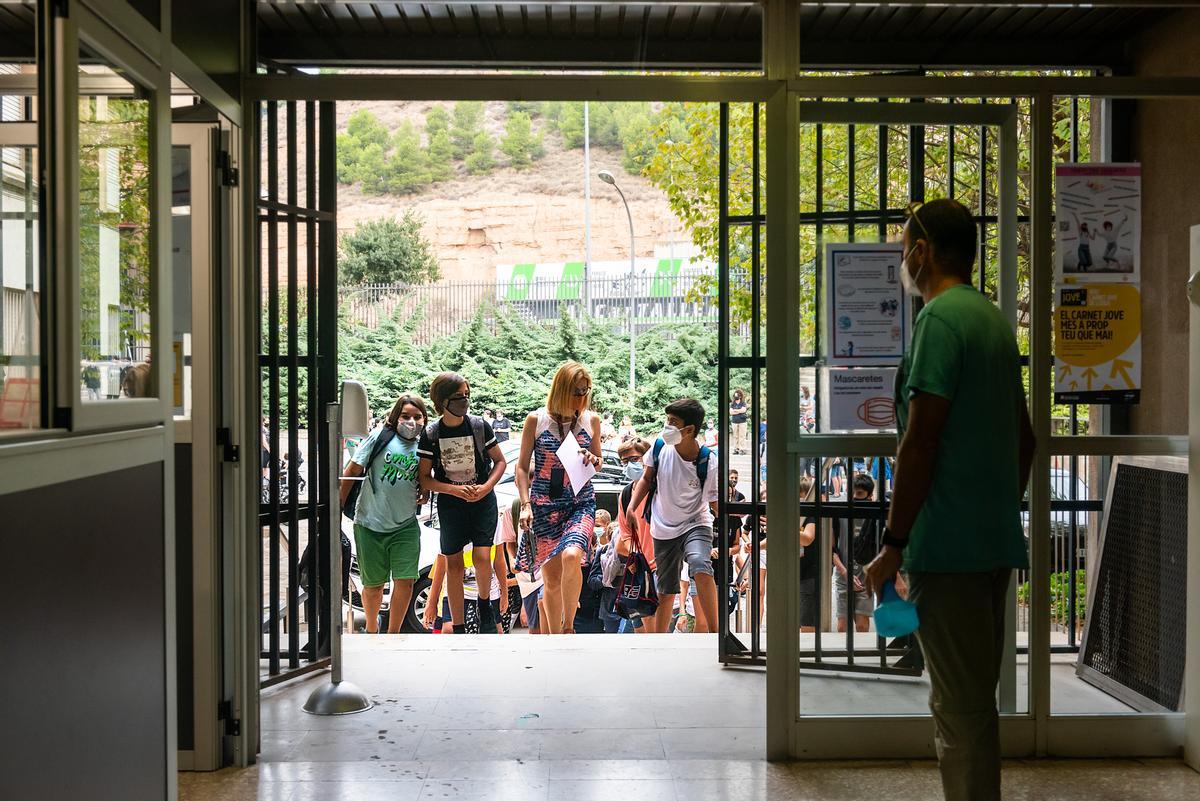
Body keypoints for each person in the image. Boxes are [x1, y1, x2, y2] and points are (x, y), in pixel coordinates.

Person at [865, 198, 1034, 801]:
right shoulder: (989, 319)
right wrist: (992, 510)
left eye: (904, 244)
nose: (901, 258)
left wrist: (893, 544)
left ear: (924, 250)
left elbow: (921, 440)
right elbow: (1027, 439)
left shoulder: (938, 322)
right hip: (990, 546)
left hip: (949, 552)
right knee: (973, 702)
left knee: (958, 714)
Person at [515, 361, 602, 634]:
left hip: (581, 502)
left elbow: (598, 462)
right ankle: (553, 638)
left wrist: (593, 459)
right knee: (550, 579)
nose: (581, 397)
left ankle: (568, 628)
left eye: (585, 391)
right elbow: (520, 467)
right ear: (561, 389)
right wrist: (525, 505)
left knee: (572, 555)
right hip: (545, 505)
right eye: (576, 391)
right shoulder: (536, 420)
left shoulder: (591, 420)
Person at [418, 372, 507, 634]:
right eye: (458, 397)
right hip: (451, 505)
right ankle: (457, 625)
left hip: (483, 500)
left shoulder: (480, 426)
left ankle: (484, 605)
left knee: (482, 555)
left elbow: (500, 461)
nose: (464, 401)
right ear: (442, 401)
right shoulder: (432, 434)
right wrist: (453, 491)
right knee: (453, 564)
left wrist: (485, 487)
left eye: (467, 395)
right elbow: (425, 478)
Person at [627, 398, 719, 635]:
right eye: (667, 420)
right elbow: (647, 479)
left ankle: (717, 633)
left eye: (673, 422)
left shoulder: (707, 460)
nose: (667, 426)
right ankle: (660, 640)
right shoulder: (659, 448)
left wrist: (737, 515)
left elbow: (713, 501)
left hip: (695, 522)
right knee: (666, 588)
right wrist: (632, 508)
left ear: (689, 430)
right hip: (663, 525)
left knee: (700, 563)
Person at [339, 393, 427, 634]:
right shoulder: (380, 437)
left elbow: (427, 477)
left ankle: (393, 633)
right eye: (405, 416)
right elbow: (352, 470)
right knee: (374, 585)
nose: (411, 422)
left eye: (417, 417)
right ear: (395, 416)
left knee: (406, 581)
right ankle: (371, 629)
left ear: (424, 419)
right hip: (369, 522)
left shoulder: (425, 444)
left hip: (405, 524)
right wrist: (337, 508)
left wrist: (426, 491)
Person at [832, 473, 882, 633]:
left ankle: (858, 656)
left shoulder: (876, 515)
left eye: (859, 493)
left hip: (865, 577)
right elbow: (831, 549)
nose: (854, 497)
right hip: (843, 575)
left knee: (862, 625)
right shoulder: (840, 512)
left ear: (869, 495)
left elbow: (881, 547)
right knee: (842, 626)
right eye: (851, 492)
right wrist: (844, 571)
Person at [614, 437, 654, 633]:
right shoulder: (626, 494)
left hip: (661, 567)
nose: (630, 465)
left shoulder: (659, 489)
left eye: (634, 459)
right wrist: (636, 557)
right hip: (639, 570)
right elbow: (626, 533)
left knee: (656, 631)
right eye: (624, 461)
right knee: (640, 630)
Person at [729, 389, 749, 454]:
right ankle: (736, 449)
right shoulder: (732, 403)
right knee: (735, 436)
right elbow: (731, 412)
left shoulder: (743, 403)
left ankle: (742, 449)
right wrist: (739, 410)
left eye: (737, 395)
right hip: (734, 422)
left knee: (742, 436)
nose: (736, 396)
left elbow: (744, 410)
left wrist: (735, 410)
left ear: (740, 396)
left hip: (742, 422)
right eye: (735, 395)